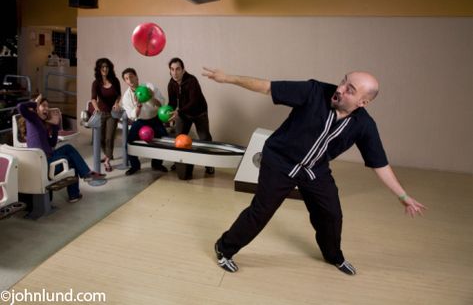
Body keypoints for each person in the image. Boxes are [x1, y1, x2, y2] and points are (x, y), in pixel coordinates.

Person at [202, 67, 426, 275]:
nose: (340, 89)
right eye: (343, 82)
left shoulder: (364, 125)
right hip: (280, 162)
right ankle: (224, 248)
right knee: (261, 211)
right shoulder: (314, 91)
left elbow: (379, 163)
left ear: (363, 102)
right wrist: (228, 78)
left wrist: (402, 196)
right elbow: (268, 86)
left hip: (313, 169)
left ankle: (333, 256)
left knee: (331, 215)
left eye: (350, 90)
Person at [17, 96, 105, 203]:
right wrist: (35, 103)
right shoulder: (32, 119)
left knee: (68, 148)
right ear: (36, 108)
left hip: (48, 157)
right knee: (72, 161)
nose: (46, 109)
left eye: (48, 106)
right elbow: (20, 106)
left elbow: (52, 143)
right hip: (44, 163)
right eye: (43, 105)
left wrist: (54, 126)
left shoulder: (41, 123)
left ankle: (83, 180)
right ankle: (78, 188)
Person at [167, 57, 214, 174]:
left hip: (199, 112)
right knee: (179, 138)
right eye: (172, 69)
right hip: (184, 113)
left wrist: (178, 112)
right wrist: (168, 113)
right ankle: (178, 162)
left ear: (183, 70)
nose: (175, 72)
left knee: (204, 139)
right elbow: (172, 103)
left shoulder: (192, 80)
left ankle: (209, 165)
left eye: (178, 69)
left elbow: (194, 102)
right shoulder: (171, 83)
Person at [121, 68, 168, 176]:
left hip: (154, 118)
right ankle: (135, 166)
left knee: (164, 139)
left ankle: (157, 164)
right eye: (127, 78)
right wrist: (138, 107)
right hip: (140, 121)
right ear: (125, 82)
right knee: (128, 143)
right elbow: (132, 116)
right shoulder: (126, 97)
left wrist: (151, 97)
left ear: (137, 77)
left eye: (131, 76)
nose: (130, 80)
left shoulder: (149, 86)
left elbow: (161, 103)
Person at [90, 58, 121, 172]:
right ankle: (108, 154)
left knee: (109, 137)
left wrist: (117, 103)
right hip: (101, 113)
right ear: (99, 69)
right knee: (101, 139)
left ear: (110, 68)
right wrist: (97, 109)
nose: (105, 69)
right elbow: (93, 99)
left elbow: (118, 95)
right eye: (102, 67)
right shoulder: (96, 83)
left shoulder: (115, 80)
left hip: (113, 113)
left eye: (107, 67)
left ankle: (107, 160)